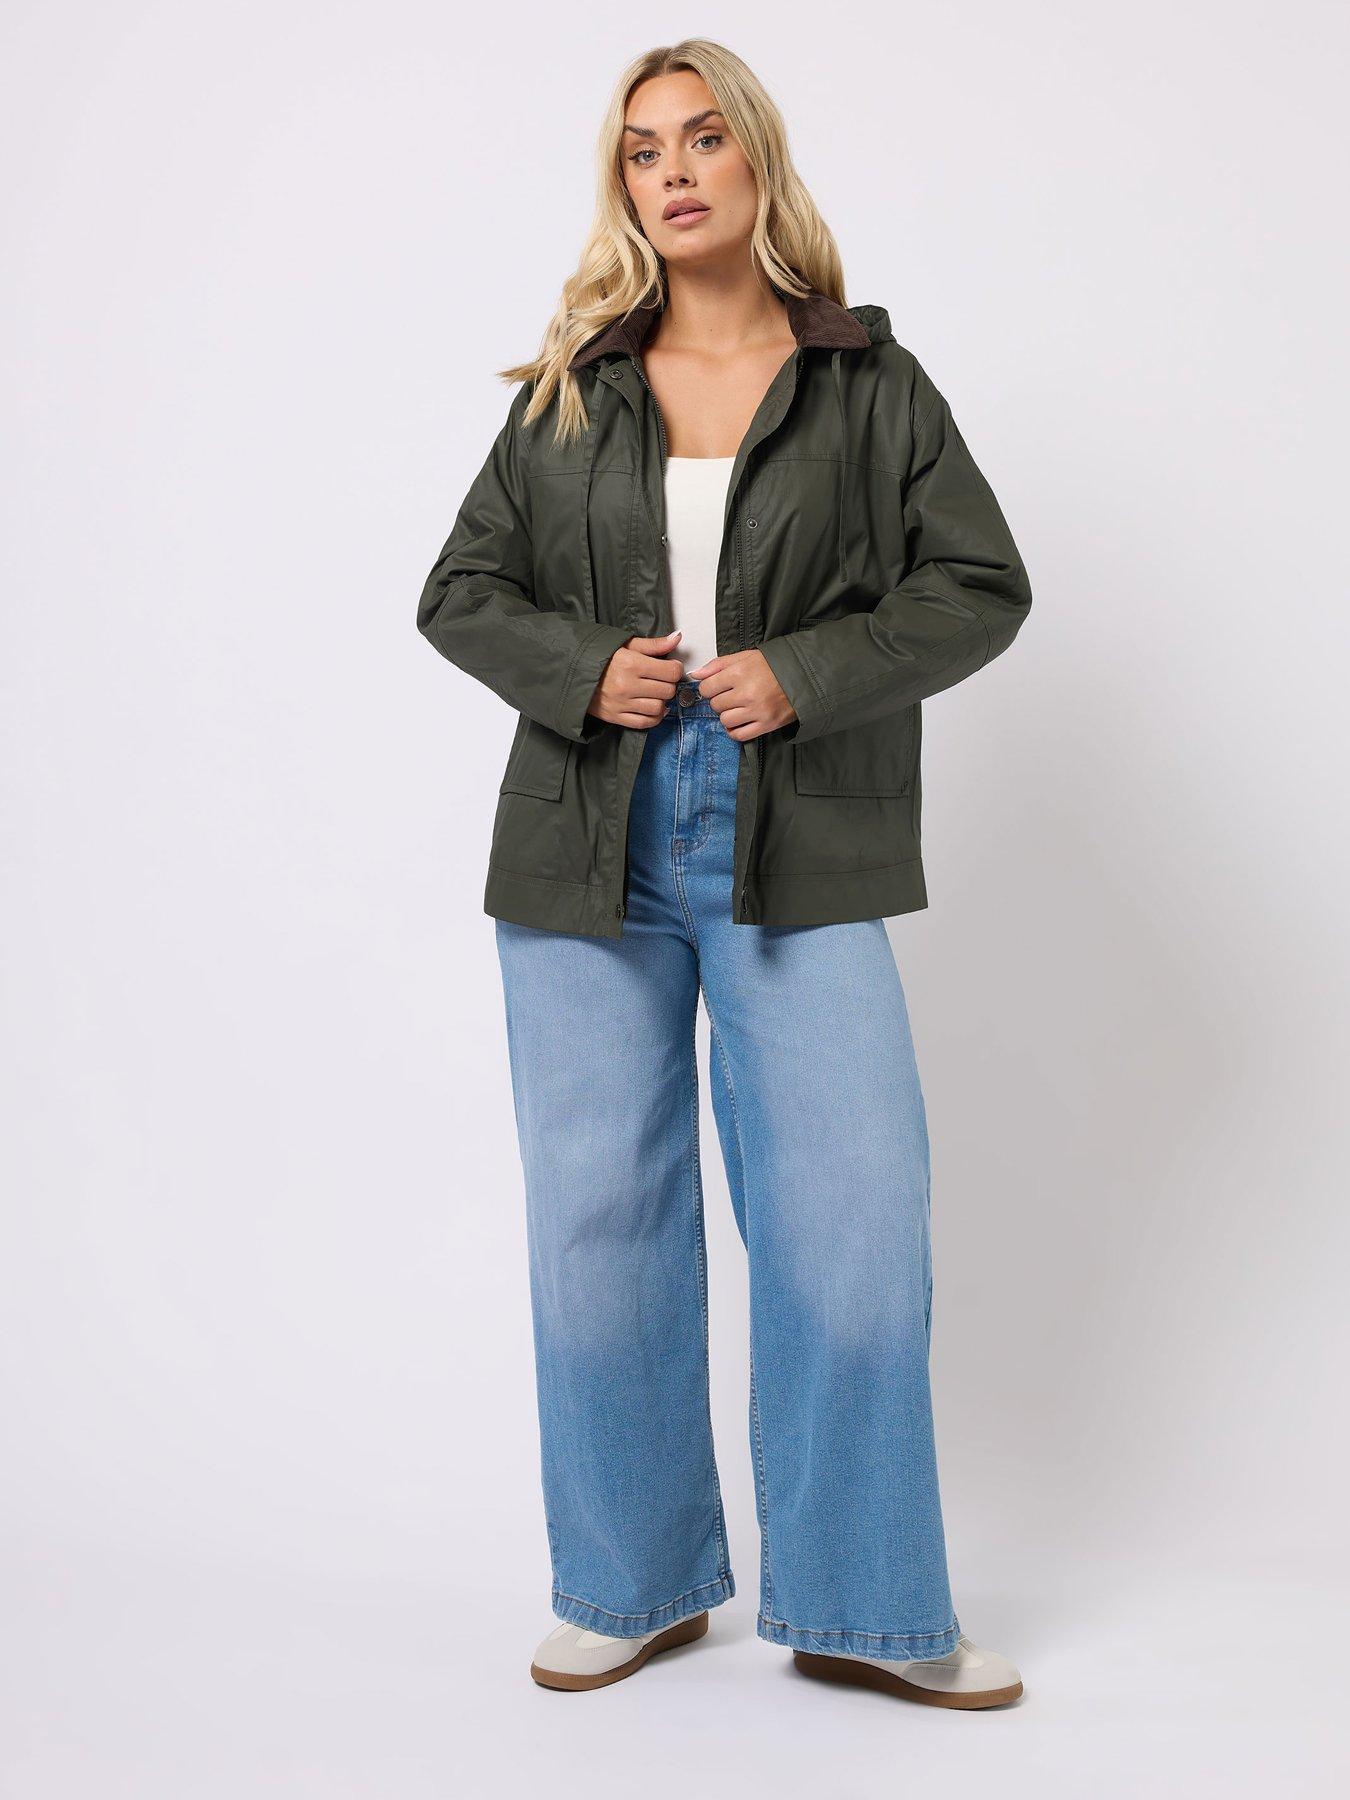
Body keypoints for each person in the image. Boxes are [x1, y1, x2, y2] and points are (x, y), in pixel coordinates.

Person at [417, 38, 1032, 1710]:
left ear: (754, 159)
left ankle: (865, 1606)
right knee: (599, 1225)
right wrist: (582, 670)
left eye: (700, 139)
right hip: (584, 833)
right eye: (640, 151)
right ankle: (628, 1585)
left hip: (796, 828)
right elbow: (460, 590)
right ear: (620, 184)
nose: (671, 171)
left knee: (851, 1222)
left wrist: (806, 674)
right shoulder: (574, 385)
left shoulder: (866, 383)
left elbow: (978, 583)